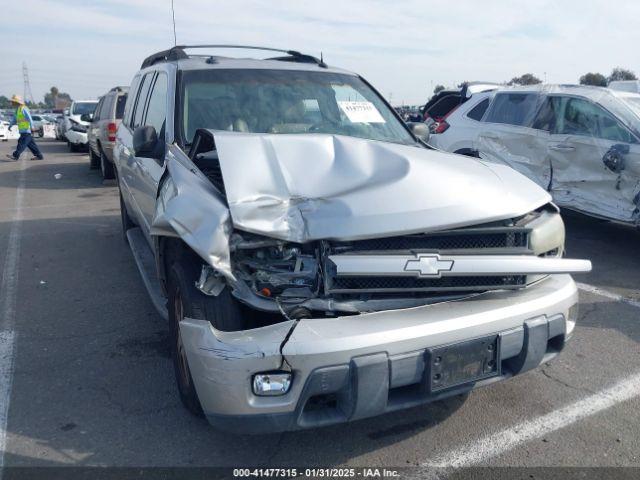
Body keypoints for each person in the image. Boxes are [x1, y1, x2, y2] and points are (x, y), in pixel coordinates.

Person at [5, 95, 44, 161]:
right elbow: (15, 119)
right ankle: (39, 156)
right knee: (32, 145)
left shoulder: (24, 108)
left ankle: (15, 155)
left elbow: (29, 118)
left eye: (13, 102)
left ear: (17, 102)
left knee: (21, 143)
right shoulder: (17, 110)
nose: (12, 103)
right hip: (23, 131)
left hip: (27, 131)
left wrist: (32, 127)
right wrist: (10, 126)